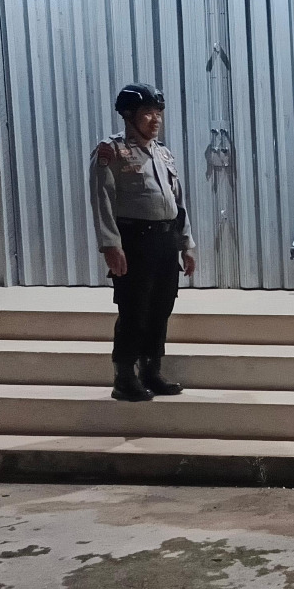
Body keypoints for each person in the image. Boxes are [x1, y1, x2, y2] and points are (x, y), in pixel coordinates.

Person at [90, 82, 196, 402]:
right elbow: (102, 200)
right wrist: (111, 245)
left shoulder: (163, 153)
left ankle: (151, 370)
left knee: (161, 307)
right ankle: (124, 377)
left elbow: (178, 203)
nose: (156, 119)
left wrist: (187, 244)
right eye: (148, 112)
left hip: (165, 241)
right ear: (128, 115)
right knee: (134, 309)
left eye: (158, 112)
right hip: (134, 242)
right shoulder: (111, 151)